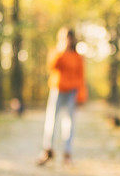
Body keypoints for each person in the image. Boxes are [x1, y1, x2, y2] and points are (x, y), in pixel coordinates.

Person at [36, 28, 87, 165]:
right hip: (57, 90)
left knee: (69, 123)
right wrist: (60, 51)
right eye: (65, 37)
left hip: (72, 92)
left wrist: (81, 95)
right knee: (51, 120)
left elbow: (81, 76)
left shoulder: (77, 56)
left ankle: (67, 153)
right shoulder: (56, 52)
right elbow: (51, 66)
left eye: (70, 37)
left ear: (73, 39)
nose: (68, 40)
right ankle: (48, 150)